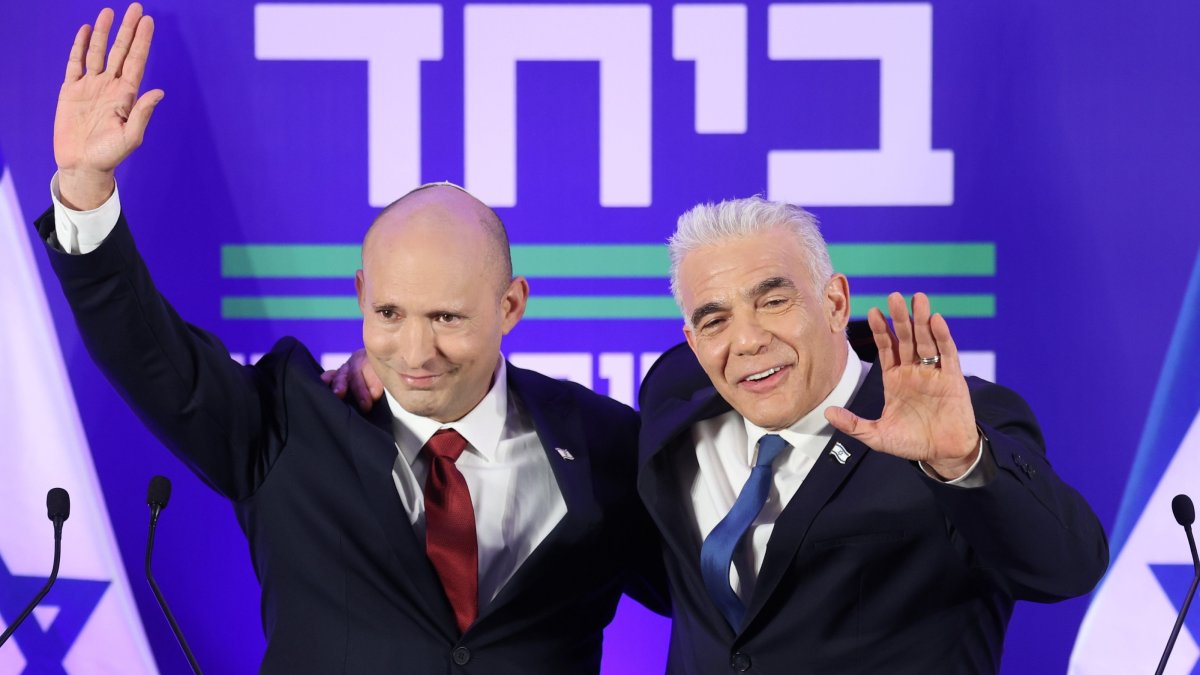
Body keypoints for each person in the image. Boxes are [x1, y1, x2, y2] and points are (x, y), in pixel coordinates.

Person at [38, 5, 663, 672]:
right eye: (389, 313)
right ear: (362, 294)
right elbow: (147, 355)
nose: (415, 353)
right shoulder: (289, 421)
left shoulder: (601, 443)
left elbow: (722, 608)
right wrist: (85, 187)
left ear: (510, 306)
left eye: (446, 318)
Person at [634, 197, 1109, 673]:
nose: (747, 340)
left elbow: (1068, 568)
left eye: (774, 302)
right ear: (693, 341)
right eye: (715, 321)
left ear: (835, 303)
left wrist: (961, 461)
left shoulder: (955, 423)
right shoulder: (673, 403)